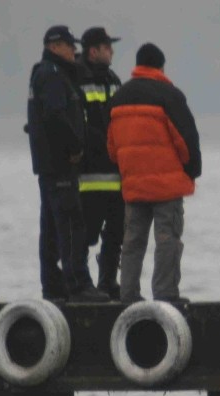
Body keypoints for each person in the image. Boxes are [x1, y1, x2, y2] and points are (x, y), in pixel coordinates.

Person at [107, 43, 201, 303]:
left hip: (134, 184)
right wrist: (192, 170)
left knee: (133, 242)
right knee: (167, 238)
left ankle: (128, 294)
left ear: (138, 65)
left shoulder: (119, 97)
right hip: (166, 185)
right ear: (160, 66)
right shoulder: (169, 95)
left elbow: (112, 148)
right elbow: (186, 139)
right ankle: (165, 293)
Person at [26, 26, 108, 303]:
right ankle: (79, 285)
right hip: (60, 165)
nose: (75, 51)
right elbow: (54, 116)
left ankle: (53, 286)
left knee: (51, 228)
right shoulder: (53, 76)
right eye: (69, 46)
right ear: (55, 46)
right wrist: (74, 148)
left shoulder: (46, 73)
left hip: (48, 166)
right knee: (72, 225)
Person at [77, 27, 124, 300]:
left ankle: (107, 281)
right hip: (88, 174)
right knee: (86, 233)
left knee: (116, 231)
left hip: (116, 173)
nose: (112, 51)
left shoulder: (113, 79)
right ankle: (82, 283)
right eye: (107, 47)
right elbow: (79, 126)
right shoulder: (77, 78)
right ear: (93, 50)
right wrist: (106, 143)